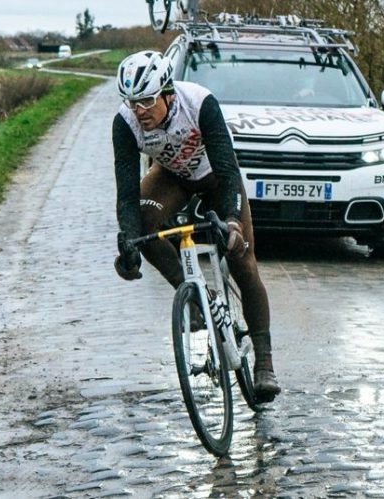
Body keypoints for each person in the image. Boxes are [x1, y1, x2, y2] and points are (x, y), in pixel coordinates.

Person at [111, 50, 281, 400]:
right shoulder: (125, 124)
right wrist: (128, 243)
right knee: (143, 226)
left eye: (146, 100)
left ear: (167, 92)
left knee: (242, 260)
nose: (139, 111)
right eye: (132, 103)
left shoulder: (199, 103)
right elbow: (127, 196)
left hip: (216, 177)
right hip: (172, 177)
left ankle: (264, 360)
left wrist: (233, 222)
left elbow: (228, 169)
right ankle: (197, 297)